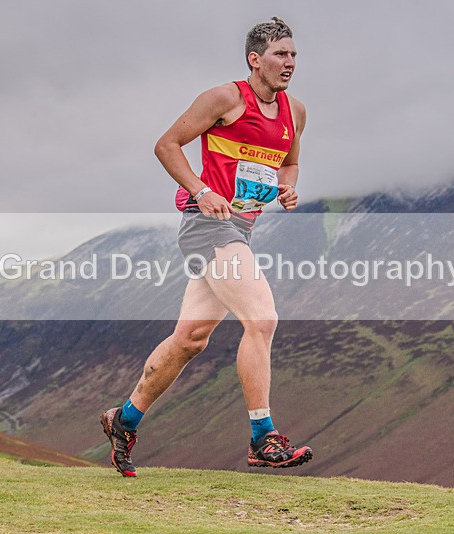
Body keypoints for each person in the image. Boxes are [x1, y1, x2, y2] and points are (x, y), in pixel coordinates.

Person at [100, 17, 312, 477]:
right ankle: (263, 437)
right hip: (208, 226)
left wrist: (287, 188)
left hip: (242, 228)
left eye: (294, 54)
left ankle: (124, 419)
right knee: (262, 318)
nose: (289, 62)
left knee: (190, 340)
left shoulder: (295, 111)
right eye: (280, 54)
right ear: (255, 60)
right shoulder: (224, 99)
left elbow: (289, 163)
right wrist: (200, 189)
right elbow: (166, 144)